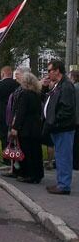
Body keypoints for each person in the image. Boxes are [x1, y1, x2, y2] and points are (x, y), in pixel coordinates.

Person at [42, 59, 76, 195]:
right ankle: (61, 183)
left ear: (57, 71)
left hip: (63, 128)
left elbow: (67, 109)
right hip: (58, 128)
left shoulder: (66, 86)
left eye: (50, 70)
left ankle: (64, 185)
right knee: (60, 156)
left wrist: (54, 121)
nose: (48, 73)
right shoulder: (58, 85)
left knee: (63, 157)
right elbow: (48, 101)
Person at [10, 72, 43, 184]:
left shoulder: (25, 94)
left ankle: (28, 174)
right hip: (36, 125)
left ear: (25, 82)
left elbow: (21, 112)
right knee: (36, 151)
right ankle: (38, 174)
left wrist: (15, 127)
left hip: (26, 127)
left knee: (26, 151)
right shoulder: (37, 94)